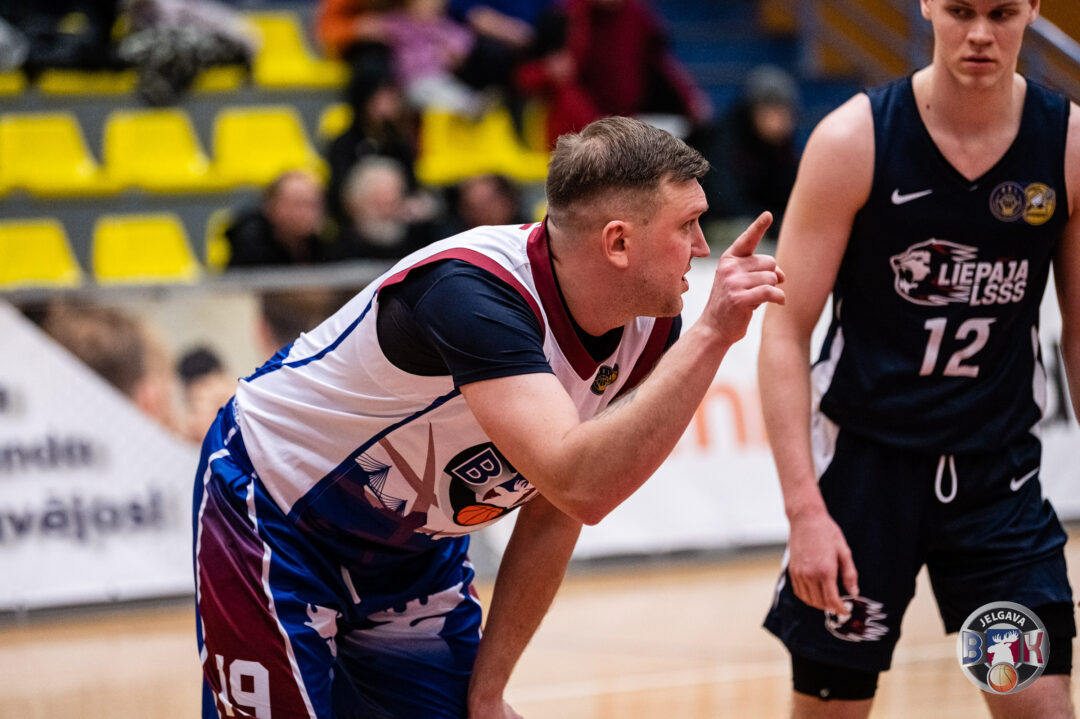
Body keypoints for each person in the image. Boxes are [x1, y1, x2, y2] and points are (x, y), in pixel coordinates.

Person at [193, 115, 785, 719]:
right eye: (687, 225)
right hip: (276, 511)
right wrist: (713, 334)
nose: (703, 247)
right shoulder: (473, 293)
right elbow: (580, 484)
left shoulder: (649, 330)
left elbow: (555, 508)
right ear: (617, 243)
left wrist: (489, 689)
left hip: (414, 549)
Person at [758, 1, 1080, 717]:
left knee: (1039, 704)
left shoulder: (1067, 144)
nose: (979, 33)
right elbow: (785, 331)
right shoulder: (854, 139)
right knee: (834, 709)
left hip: (996, 482)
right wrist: (805, 511)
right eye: (960, 9)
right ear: (927, 5)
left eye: (1002, 12)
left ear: (1033, 8)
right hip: (863, 479)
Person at [697, 64, 801, 242]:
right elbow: (723, 200)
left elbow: (791, 196)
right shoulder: (725, 141)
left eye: (783, 112)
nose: (777, 120)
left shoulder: (784, 148)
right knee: (747, 232)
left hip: (763, 221)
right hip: (721, 224)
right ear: (752, 111)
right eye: (770, 111)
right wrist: (772, 222)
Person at [225, 170, 328, 269]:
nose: (306, 213)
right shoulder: (249, 246)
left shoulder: (325, 244)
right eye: (298, 204)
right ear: (270, 206)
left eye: (314, 204)